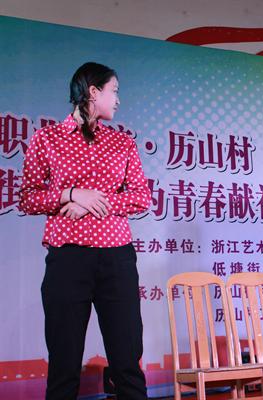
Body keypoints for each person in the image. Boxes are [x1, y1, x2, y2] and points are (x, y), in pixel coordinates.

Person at [19, 62, 151, 400]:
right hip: (69, 259)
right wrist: (70, 194)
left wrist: (92, 201)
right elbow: (28, 198)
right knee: (64, 364)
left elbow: (141, 197)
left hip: (117, 259)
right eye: (114, 91)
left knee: (127, 362)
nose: (118, 99)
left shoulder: (122, 143)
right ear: (93, 92)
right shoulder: (47, 138)